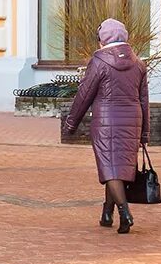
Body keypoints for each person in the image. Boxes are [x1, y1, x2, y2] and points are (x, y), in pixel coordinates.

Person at [62, 18, 148, 234]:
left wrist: (71, 123)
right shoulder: (138, 63)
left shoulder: (99, 62)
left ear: (102, 40)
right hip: (132, 120)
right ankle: (107, 213)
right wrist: (145, 131)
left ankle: (124, 212)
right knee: (116, 166)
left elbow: (84, 95)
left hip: (106, 120)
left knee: (110, 167)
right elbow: (144, 100)